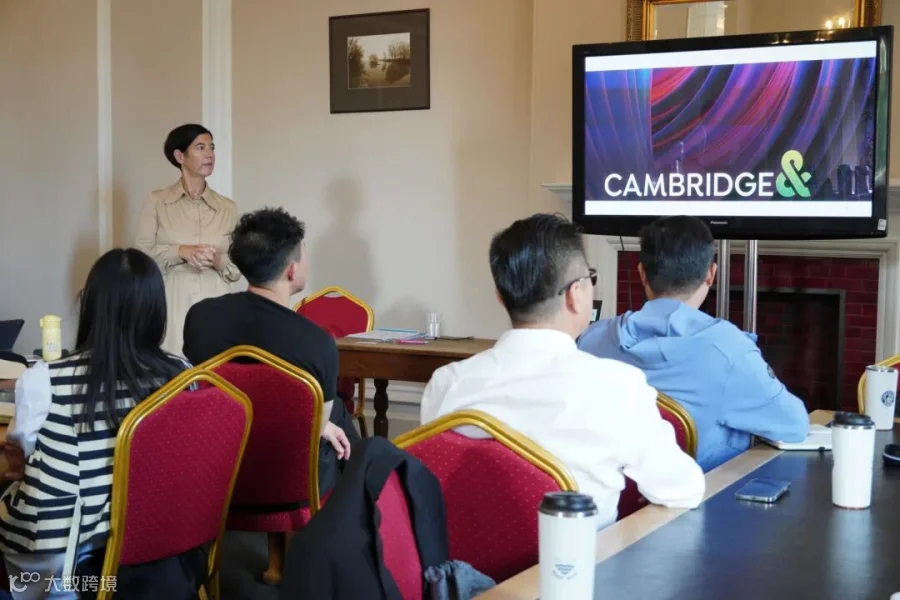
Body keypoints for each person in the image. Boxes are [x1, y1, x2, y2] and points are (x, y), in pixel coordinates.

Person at [420, 213, 705, 528]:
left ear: (500, 297)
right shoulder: (617, 386)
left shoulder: (446, 383)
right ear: (575, 294)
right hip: (584, 557)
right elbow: (683, 490)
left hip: (463, 557)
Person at [0, 249, 193, 599]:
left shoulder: (45, 378)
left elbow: (21, 447)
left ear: (89, 305)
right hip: (149, 534)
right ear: (156, 309)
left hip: (64, 551)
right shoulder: (181, 374)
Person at [578, 216, 810, 471]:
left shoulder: (590, 340)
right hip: (703, 494)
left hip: (606, 493)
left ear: (642, 273)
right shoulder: (729, 350)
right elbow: (794, 426)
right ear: (711, 274)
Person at [182, 207, 356, 496]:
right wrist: (324, 426)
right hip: (287, 481)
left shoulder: (200, 317)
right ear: (292, 269)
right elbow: (316, 428)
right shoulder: (316, 342)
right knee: (343, 425)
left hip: (218, 471)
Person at [135, 123, 241, 355]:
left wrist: (217, 260)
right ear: (180, 156)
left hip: (217, 308)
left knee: (217, 373)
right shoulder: (156, 202)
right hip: (171, 305)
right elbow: (141, 261)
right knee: (173, 371)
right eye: (200, 148)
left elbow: (237, 270)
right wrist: (180, 251)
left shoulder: (228, 208)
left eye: (212, 147)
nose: (209, 154)